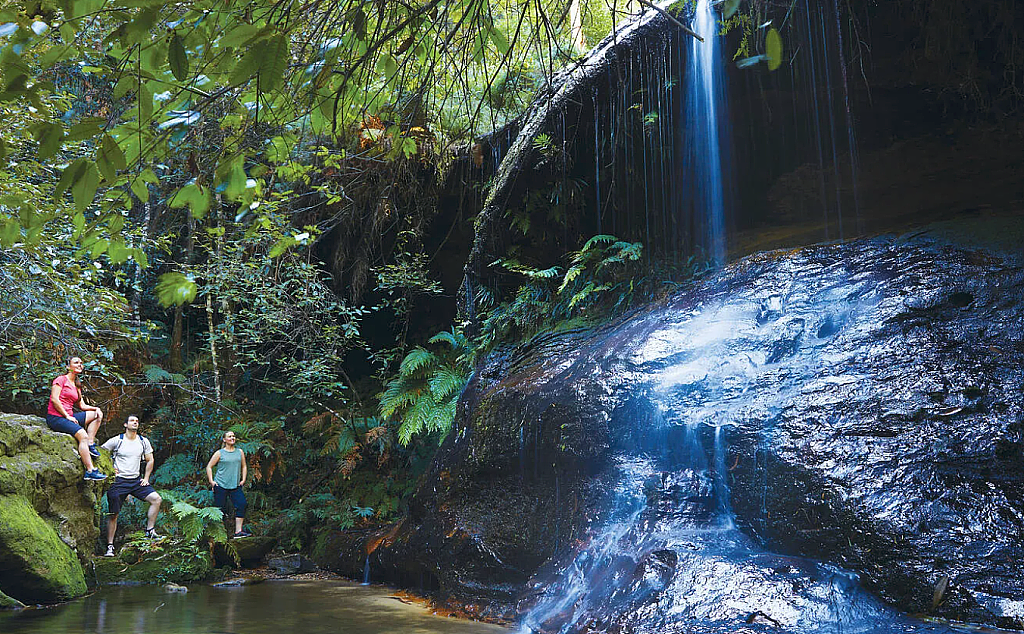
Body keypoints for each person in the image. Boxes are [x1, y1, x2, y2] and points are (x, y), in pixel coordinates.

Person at [101, 415, 162, 556]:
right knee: (113, 514)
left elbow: (150, 460)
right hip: (118, 481)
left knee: (156, 499)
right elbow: (101, 451)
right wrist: (110, 468)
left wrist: (146, 478)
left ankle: (150, 530)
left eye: (137, 421)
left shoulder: (143, 441)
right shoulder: (118, 440)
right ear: (125, 424)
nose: (135, 423)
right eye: (132, 421)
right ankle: (110, 546)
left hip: (135, 481)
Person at [46, 356, 105, 480]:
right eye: (76, 363)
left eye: (81, 363)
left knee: (97, 415)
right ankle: (90, 470)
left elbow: (82, 405)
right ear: (68, 366)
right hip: (56, 417)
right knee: (82, 435)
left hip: (69, 416)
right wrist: (67, 416)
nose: (80, 365)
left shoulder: (77, 385)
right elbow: (54, 399)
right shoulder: (61, 380)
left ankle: (90, 444)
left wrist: (96, 409)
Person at [206, 430, 251, 537]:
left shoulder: (239, 452)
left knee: (242, 504)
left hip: (235, 485)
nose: (232, 438)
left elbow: (244, 466)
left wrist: (243, 479)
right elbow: (209, 466)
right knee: (220, 509)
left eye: (233, 436)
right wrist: (211, 481)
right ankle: (218, 534)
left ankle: (238, 531)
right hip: (220, 485)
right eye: (229, 436)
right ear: (224, 439)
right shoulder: (219, 453)